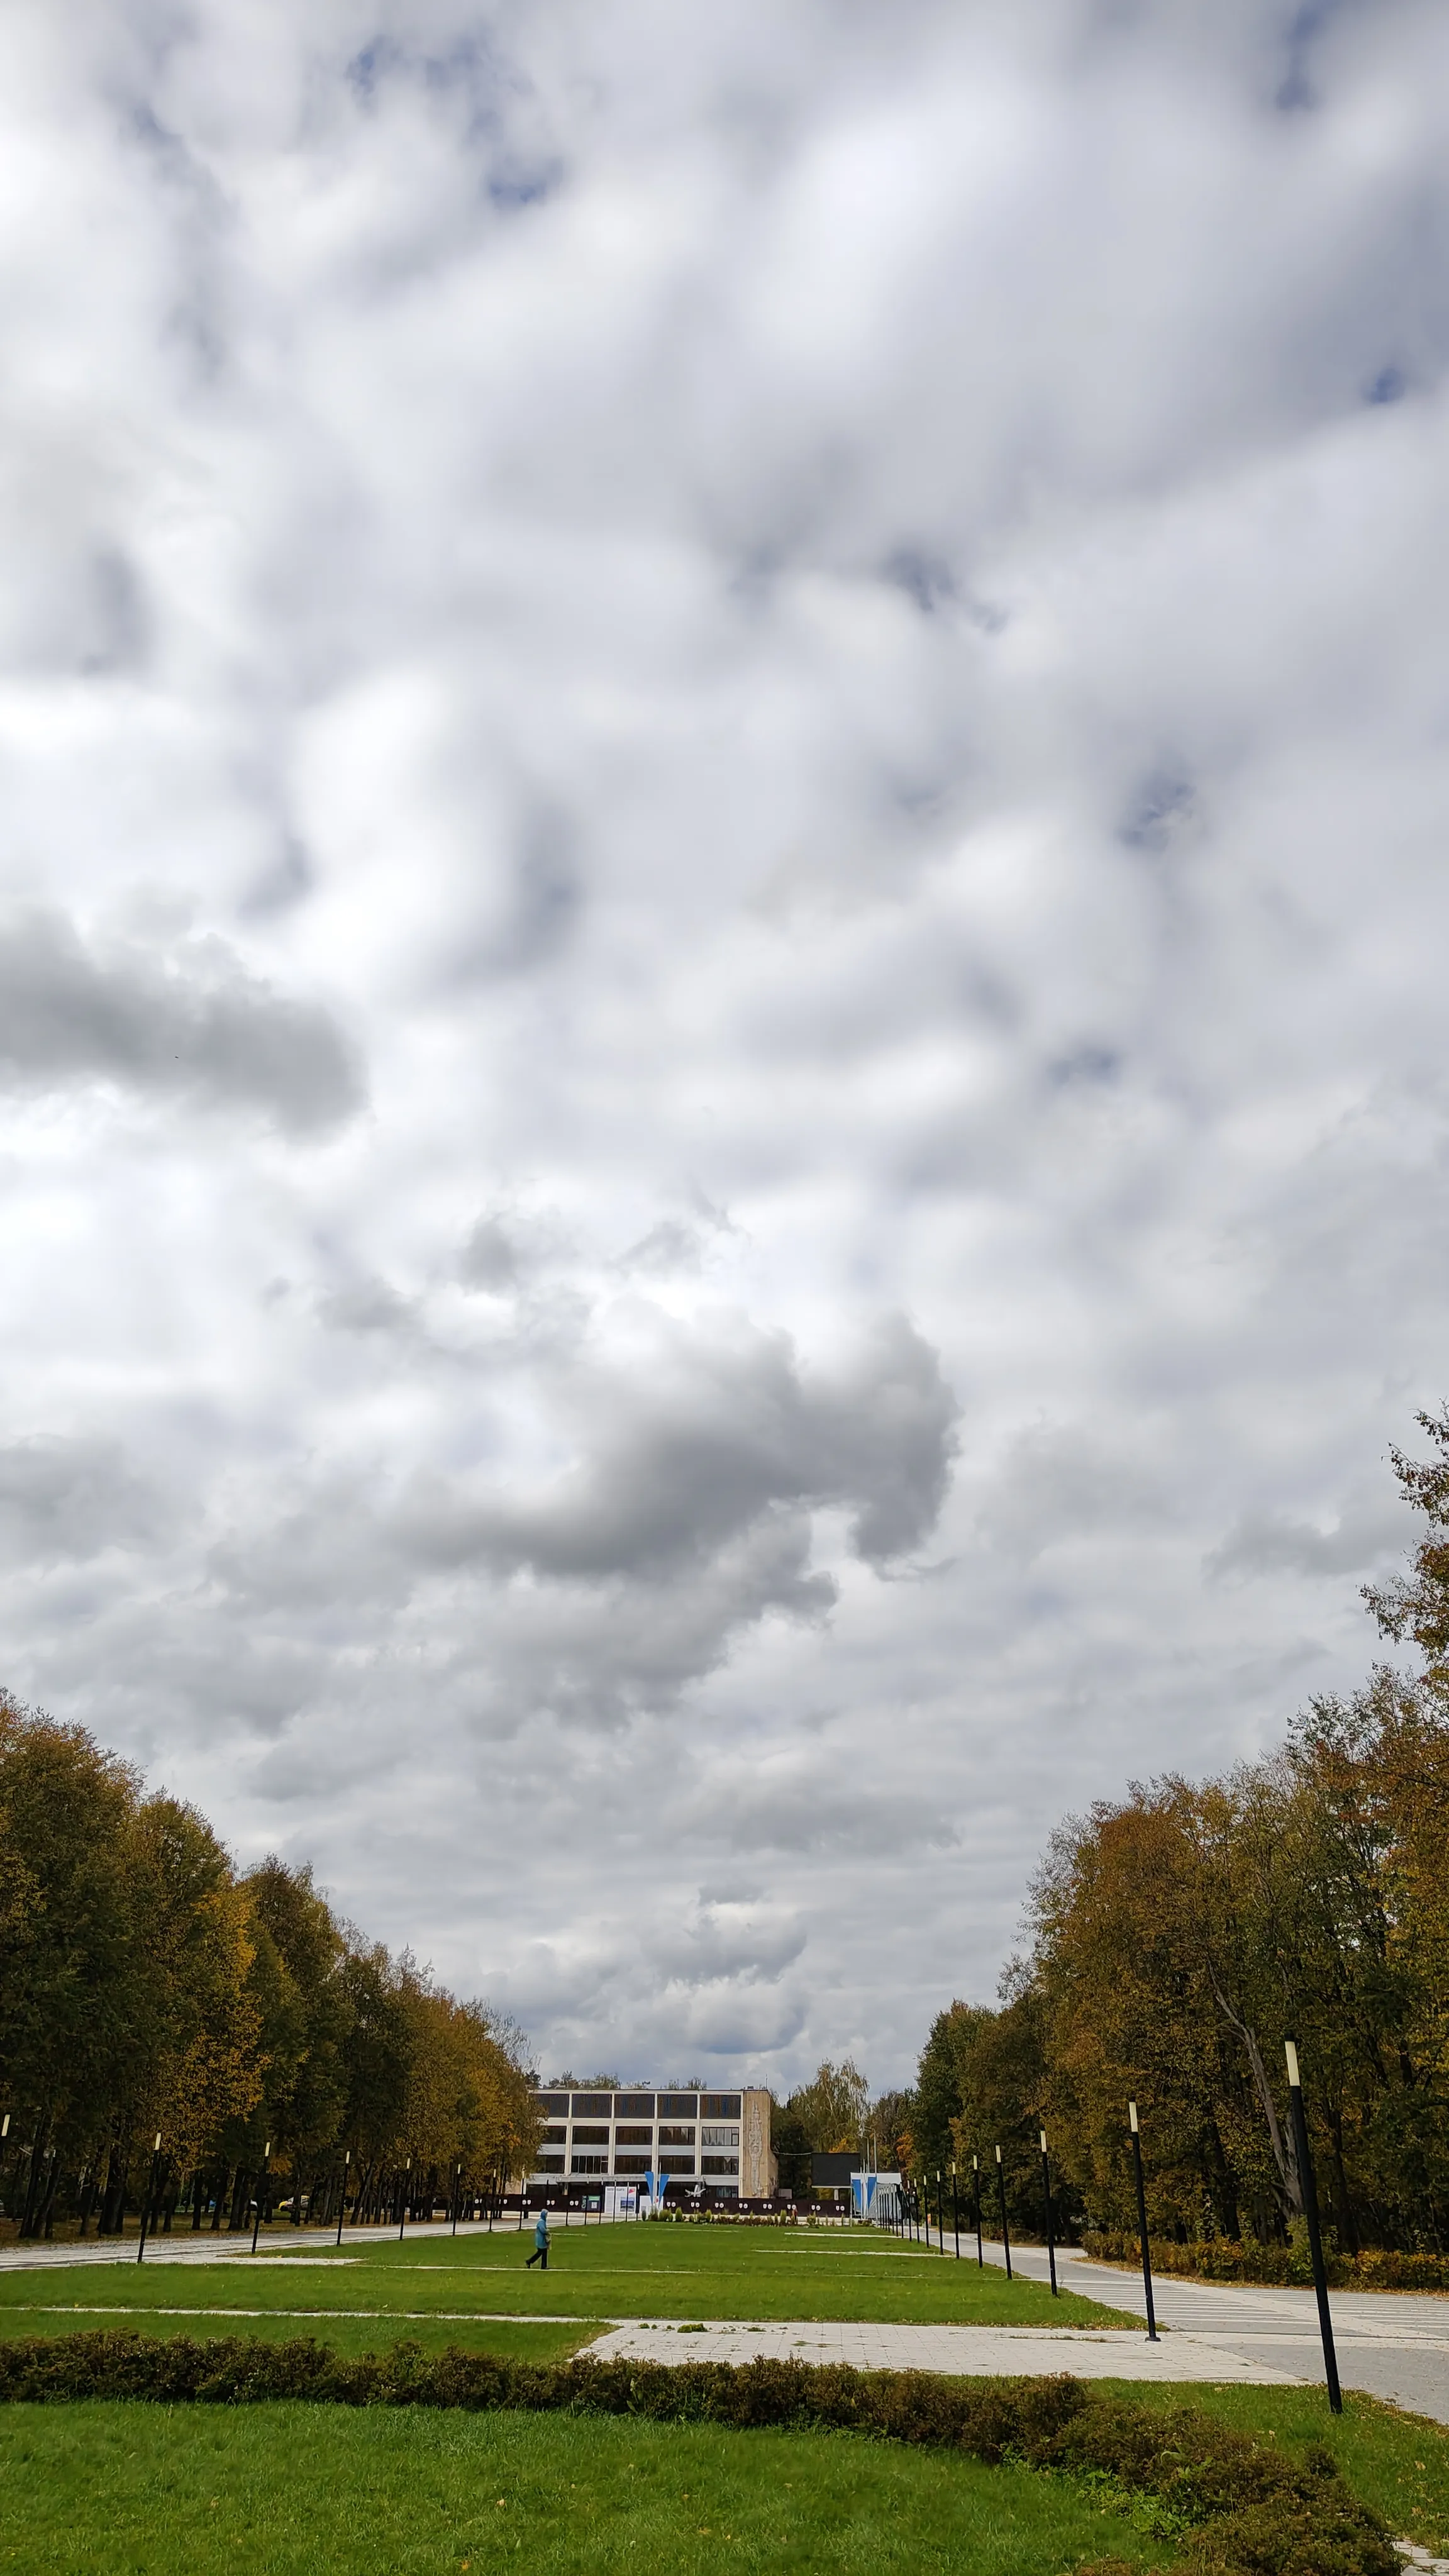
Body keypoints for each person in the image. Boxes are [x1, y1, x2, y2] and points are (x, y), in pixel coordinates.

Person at [525, 2205, 550, 2270]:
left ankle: (530, 2262)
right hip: (541, 2240)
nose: (547, 2216)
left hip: (541, 2239)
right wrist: (547, 2231)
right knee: (543, 2252)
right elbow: (542, 2230)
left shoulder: (542, 2221)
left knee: (540, 2253)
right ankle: (543, 2266)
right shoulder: (541, 2222)